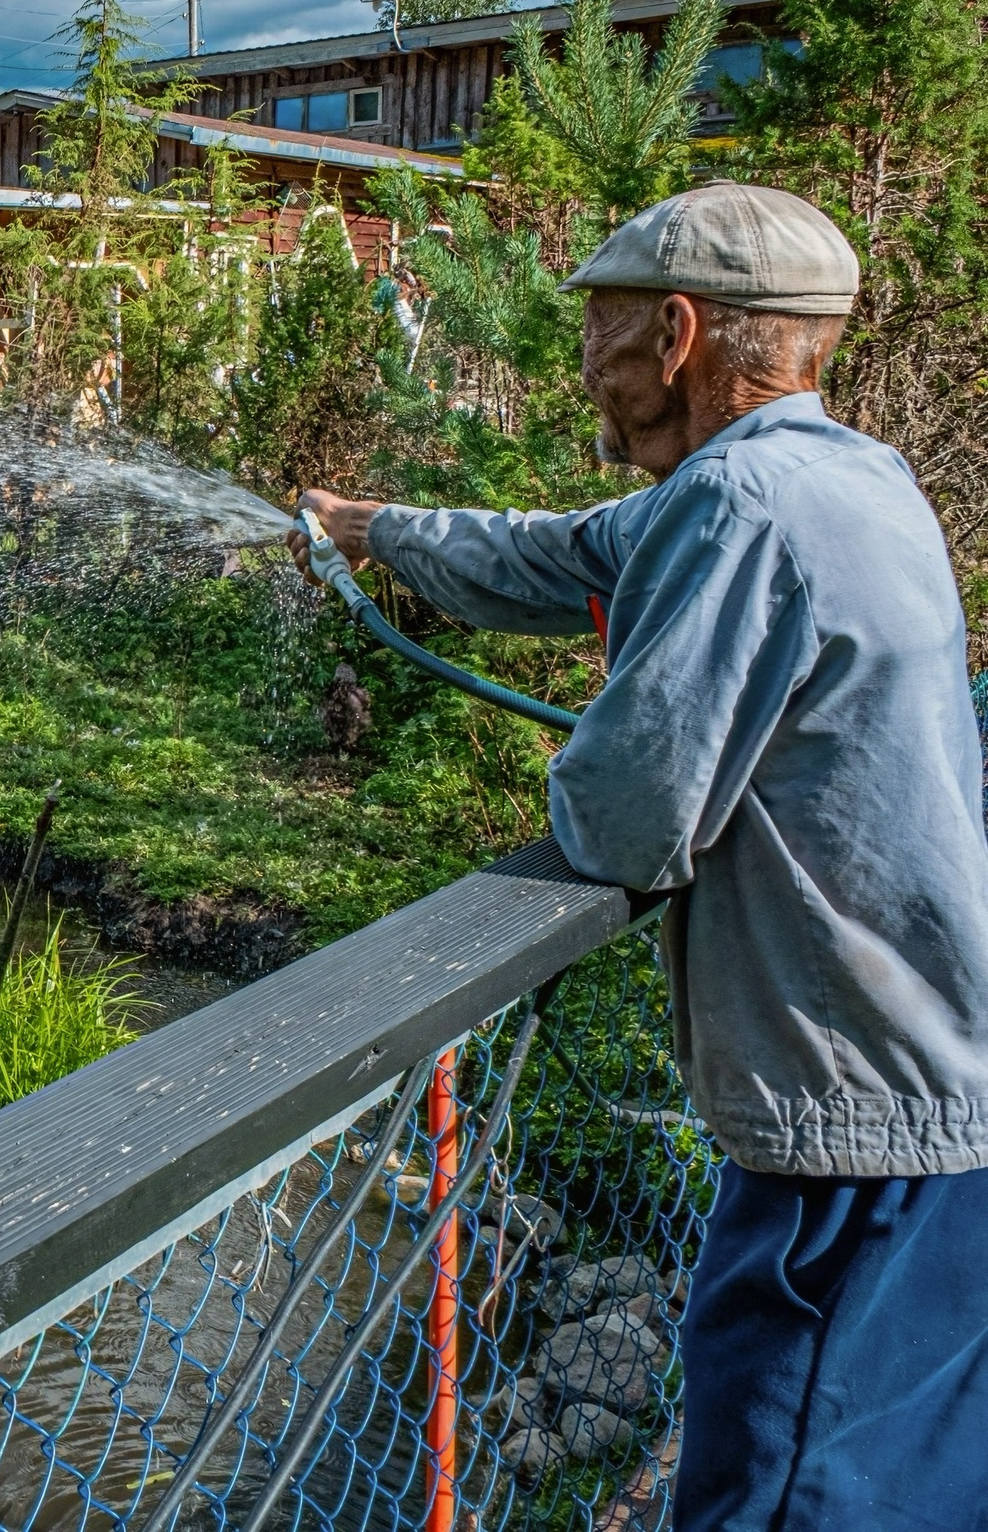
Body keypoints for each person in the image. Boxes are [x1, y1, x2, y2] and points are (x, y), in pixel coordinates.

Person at [289, 181, 988, 1529]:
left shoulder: (741, 508)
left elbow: (625, 812)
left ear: (677, 334)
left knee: (782, 1493)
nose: (583, 367)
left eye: (599, 332)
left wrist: (600, 741)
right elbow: (561, 556)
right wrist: (365, 528)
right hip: (929, 1101)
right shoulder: (848, 472)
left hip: (843, 1151)